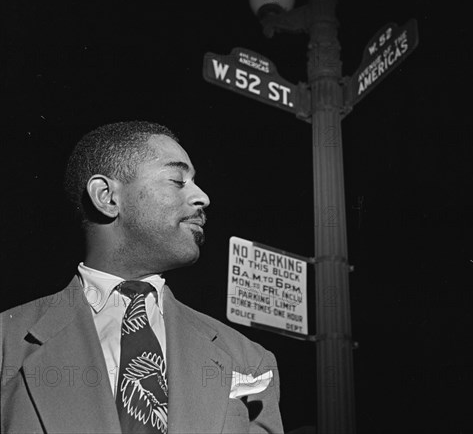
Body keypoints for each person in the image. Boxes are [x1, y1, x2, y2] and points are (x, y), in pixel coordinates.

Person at [0, 121, 284, 434]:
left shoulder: (248, 360)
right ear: (106, 197)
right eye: (177, 180)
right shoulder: (7, 341)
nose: (203, 197)